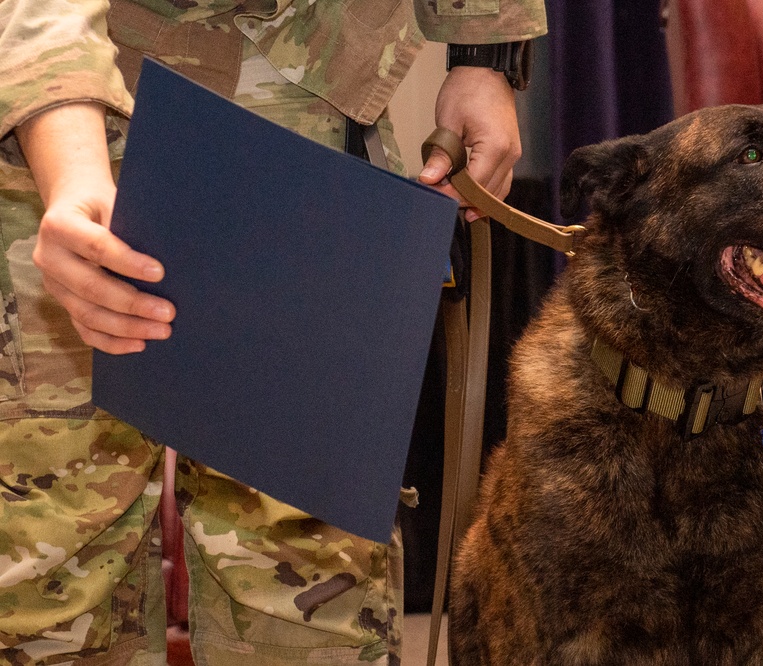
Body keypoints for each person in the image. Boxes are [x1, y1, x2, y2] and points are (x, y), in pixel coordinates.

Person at [0, 0, 545, 663]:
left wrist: (483, 54)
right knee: (50, 573)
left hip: (303, 79)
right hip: (52, 103)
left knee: (314, 578)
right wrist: (70, 165)